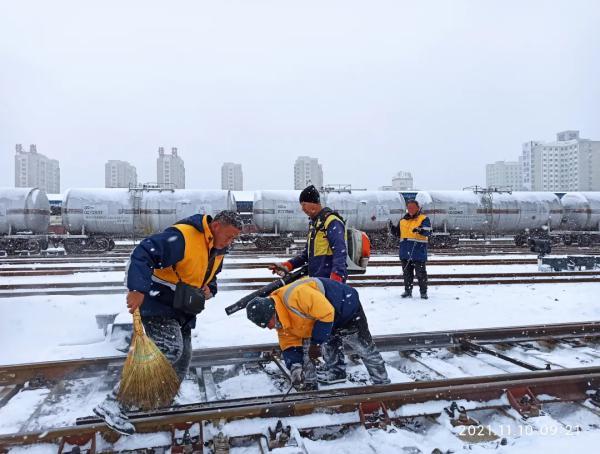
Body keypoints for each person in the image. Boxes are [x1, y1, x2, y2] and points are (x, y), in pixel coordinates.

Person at [93, 210, 242, 435]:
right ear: (217, 226)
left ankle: (160, 399)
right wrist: (137, 289)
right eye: (229, 236)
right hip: (158, 301)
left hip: (182, 308)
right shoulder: (184, 236)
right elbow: (143, 253)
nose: (231, 242)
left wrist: (210, 288)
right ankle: (113, 403)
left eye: (234, 238)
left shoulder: (218, 248)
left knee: (182, 358)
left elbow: (211, 275)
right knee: (168, 350)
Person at [245, 277, 390, 390]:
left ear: (271, 314)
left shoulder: (296, 296)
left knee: (363, 348)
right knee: (324, 343)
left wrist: (316, 343)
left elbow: (327, 313)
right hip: (323, 318)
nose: (270, 328)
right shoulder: (282, 323)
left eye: (267, 324)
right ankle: (335, 374)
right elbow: (290, 346)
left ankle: (382, 383)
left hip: (345, 308)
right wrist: (295, 368)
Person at [269, 185, 347, 282]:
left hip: (328, 282)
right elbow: (306, 256)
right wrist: (287, 265)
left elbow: (340, 252)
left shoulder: (331, 221)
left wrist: (337, 276)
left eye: (304, 204)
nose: (302, 209)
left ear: (313, 203)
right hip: (317, 282)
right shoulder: (315, 225)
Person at [389, 199, 432, 299]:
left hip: (418, 251)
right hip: (405, 252)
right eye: (409, 207)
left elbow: (428, 231)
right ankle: (408, 291)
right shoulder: (403, 220)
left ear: (418, 208)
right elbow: (398, 234)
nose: (411, 209)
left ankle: (423, 292)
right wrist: (391, 228)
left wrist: (420, 230)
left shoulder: (424, 219)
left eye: (413, 207)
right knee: (407, 274)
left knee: (420, 274)